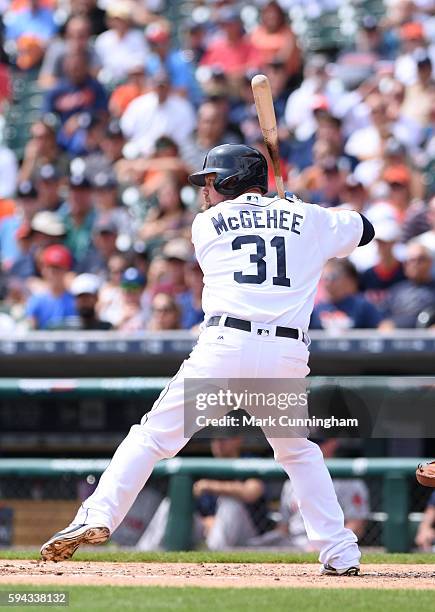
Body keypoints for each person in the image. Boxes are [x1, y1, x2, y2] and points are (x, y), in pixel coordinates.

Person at [40, 143, 375, 576]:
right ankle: (340, 552)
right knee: (298, 452)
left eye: (213, 182)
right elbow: (364, 229)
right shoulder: (310, 218)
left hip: (225, 351)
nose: (206, 192)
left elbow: (255, 226)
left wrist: (291, 214)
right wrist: (304, 212)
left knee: (151, 438)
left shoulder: (207, 224)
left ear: (234, 181)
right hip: (284, 356)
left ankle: (97, 517)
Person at [136, 436, 269, 551]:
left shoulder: (248, 460)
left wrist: (210, 486)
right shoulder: (208, 466)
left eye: (223, 439)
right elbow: (194, 506)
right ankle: (144, 552)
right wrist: (207, 521)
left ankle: (215, 559)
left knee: (230, 504)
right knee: (171, 504)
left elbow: (252, 492)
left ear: (238, 440)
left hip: (247, 534)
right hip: (208, 529)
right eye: (215, 439)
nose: (218, 443)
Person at [310, 259, 382, 331]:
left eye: (332, 277)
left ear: (347, 279)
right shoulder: (316, 309)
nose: (328, 282)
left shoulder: (362, 306)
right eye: (324, 277)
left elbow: (383, 327)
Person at [25, 244, 76, 330]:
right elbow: (30, 329)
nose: (53, 272)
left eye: (58, 268)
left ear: (66, 270)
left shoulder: (75, 301)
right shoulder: (36, 300)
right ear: (43, 270)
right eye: (50, 267)